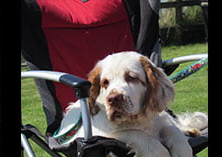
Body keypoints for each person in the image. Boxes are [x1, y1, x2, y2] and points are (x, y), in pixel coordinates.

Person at [20, 0, 162, 133]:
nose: (113, 95)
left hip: (148, 118)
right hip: (84, 129)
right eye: (105, 83)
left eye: (131, 78)